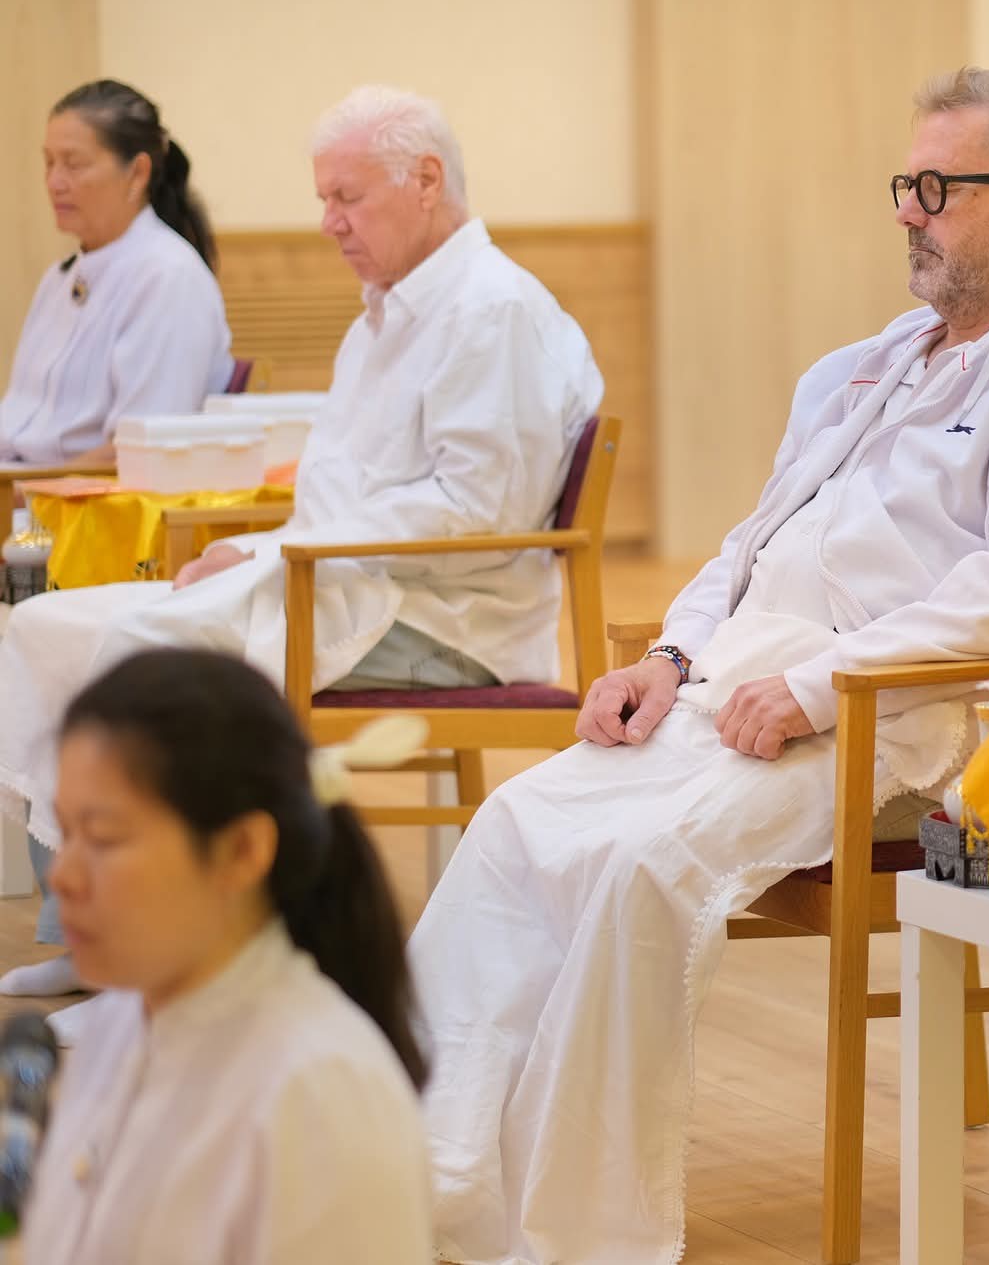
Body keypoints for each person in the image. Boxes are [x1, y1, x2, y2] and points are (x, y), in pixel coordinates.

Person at [409, 66, 989, 1264]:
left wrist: (821, 686)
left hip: (906, 725)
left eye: (935, 186)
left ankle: (577, 1232)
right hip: (737, 692)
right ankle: (431, 1181)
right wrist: (668, 654)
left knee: (639, 869)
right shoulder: (872, 362)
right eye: (902, 184)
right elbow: (750, 541)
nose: (906, 210)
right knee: (514, 828)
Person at [0, 84, 603, 1005]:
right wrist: (264, 549)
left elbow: (476, 513)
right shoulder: (386, 313)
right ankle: (105, 935)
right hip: (344, 581)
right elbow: (342, 496)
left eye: (346, 197)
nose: (327, 222)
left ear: (426, 180)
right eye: (325, 198)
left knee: (142, 664)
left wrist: (290, 555)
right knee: (50, 625)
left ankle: (183, 962)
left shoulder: (492, 310)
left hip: (440, 615)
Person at [19, 649, 430, 1263]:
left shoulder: (319, 1097)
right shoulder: (124, 1015)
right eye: (65, 833)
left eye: (103, 838)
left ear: (242, 850)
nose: (66, 877)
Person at [2, 80, 233, 468]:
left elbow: (138, 451)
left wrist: (21, 496)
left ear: (137, 173)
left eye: (73, 164)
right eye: (49, 163)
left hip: (76, 512)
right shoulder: (57, 279)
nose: (54, 182)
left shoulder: (168, 279)